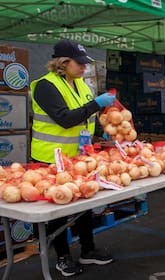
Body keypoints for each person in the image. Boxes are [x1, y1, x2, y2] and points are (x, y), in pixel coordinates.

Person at [30, 39, 115, 277]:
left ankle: (88, 250)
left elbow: (84, 120)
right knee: (58, 209)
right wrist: (96, 104)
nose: (84, 68)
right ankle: (63, 257)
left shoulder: (82, 86)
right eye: (79, 64)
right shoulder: (45, 86)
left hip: (78, 159)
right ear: (64, 63)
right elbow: (65, 118)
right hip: (50, 159)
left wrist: (102, 134)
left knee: (84, 205)